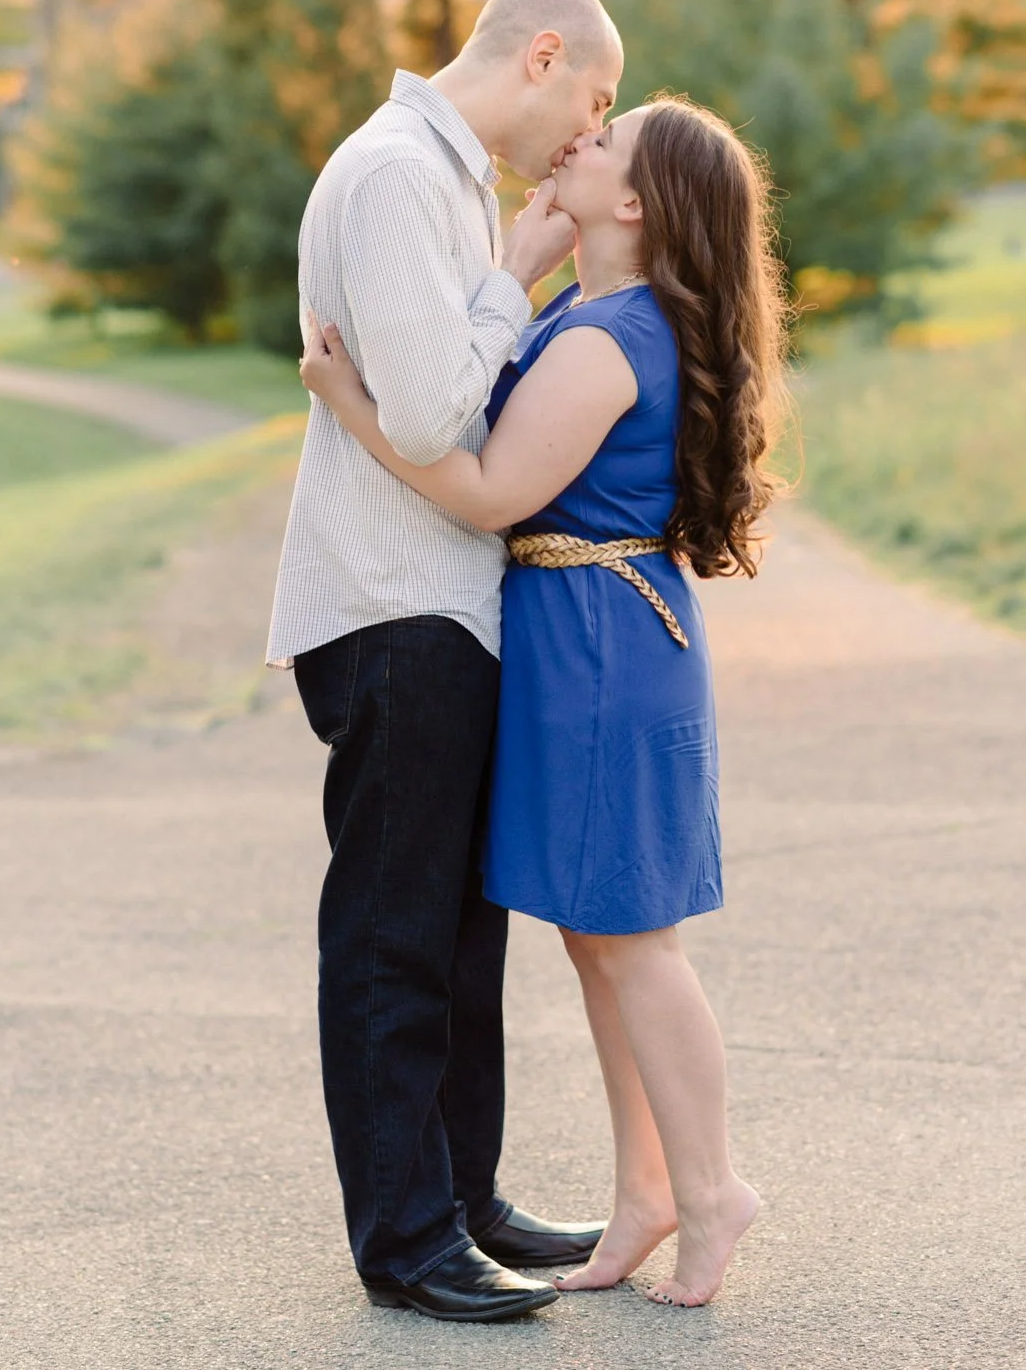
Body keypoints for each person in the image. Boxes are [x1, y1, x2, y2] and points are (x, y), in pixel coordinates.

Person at [301, 93, 789, 1309]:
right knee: (597, 936)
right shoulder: (598, 312)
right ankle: (646, 1193)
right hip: (590, 637)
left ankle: (714, 1187)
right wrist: (519, 266)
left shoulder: (605, 339)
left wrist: (347, 403)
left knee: (633, 938)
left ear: (634, 204)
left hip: (603, 653)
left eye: (605, 143)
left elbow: (486, 493)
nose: (581, 140)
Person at [266, 0, 624, 1323]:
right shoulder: (394, 177)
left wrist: (500, 270)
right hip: (393, 605)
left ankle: (462, 1201)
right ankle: (406, 1236)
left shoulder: (448, 177)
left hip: (445, 603)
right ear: (542, 54)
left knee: (464, 937)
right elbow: (426, 419)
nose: (587, 131)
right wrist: (520, 279)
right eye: (590, 98)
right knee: (396, 934)